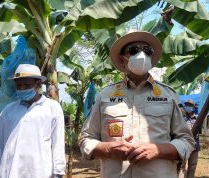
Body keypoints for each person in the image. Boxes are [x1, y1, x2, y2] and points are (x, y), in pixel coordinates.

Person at [79, 30, 195, 178]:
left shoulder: (169, 95)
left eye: (147, 50)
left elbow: (187, 140)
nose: (142, 55)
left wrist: (158, 150)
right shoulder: (105, 96)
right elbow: (85, 139)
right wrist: (108, 148)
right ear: (122, 60)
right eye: (134, 50)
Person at [0, 64, 66, 178]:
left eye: (26, 85)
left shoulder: (52, 108)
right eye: (18, 85)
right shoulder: (8, 111)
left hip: (39, 172)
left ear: (38, 84)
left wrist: (58, 172)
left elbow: (58, 144)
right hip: (9, 172)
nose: (22, 88)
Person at [183, 99, 200, 178]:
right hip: (184, 146)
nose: (187, 107)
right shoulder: (182, 118)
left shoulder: (198, 119)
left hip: (195, 146)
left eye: (189, 105)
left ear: (193, 107)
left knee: (192, 166)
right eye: (186, 105)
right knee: (181, 166)